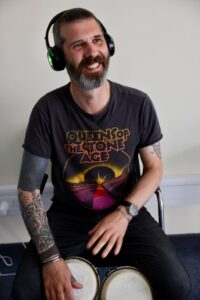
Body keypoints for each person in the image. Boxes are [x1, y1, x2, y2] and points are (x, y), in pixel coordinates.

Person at [12, 8, 191, 300]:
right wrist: (51, 260)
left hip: (127, 212)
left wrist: (124, 213)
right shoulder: (46, 111)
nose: (92, 52)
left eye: (97, 40)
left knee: (178, 287)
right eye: (78, 45)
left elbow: (154, 168)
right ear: (58, 58)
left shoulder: (139, 104)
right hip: (68, 217)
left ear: (108, 45)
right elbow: (29, 190)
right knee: (25, 292)